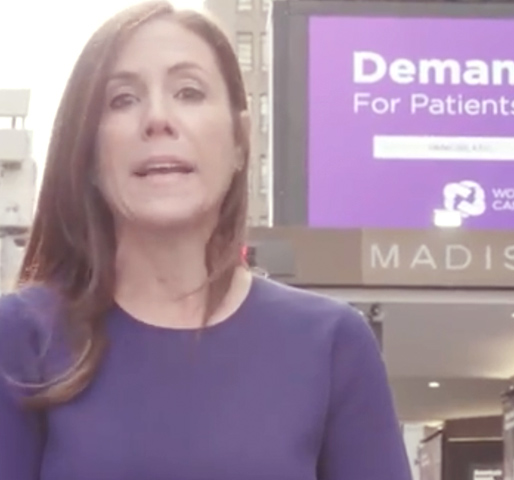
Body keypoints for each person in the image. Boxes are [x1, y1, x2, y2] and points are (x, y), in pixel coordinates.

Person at [0, 2, 412, 479]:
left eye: (189, 92)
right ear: (88, 154)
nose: (157, 118)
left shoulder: (332, 345)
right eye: (122, 99)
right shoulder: (21, 337)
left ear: (240, 141)